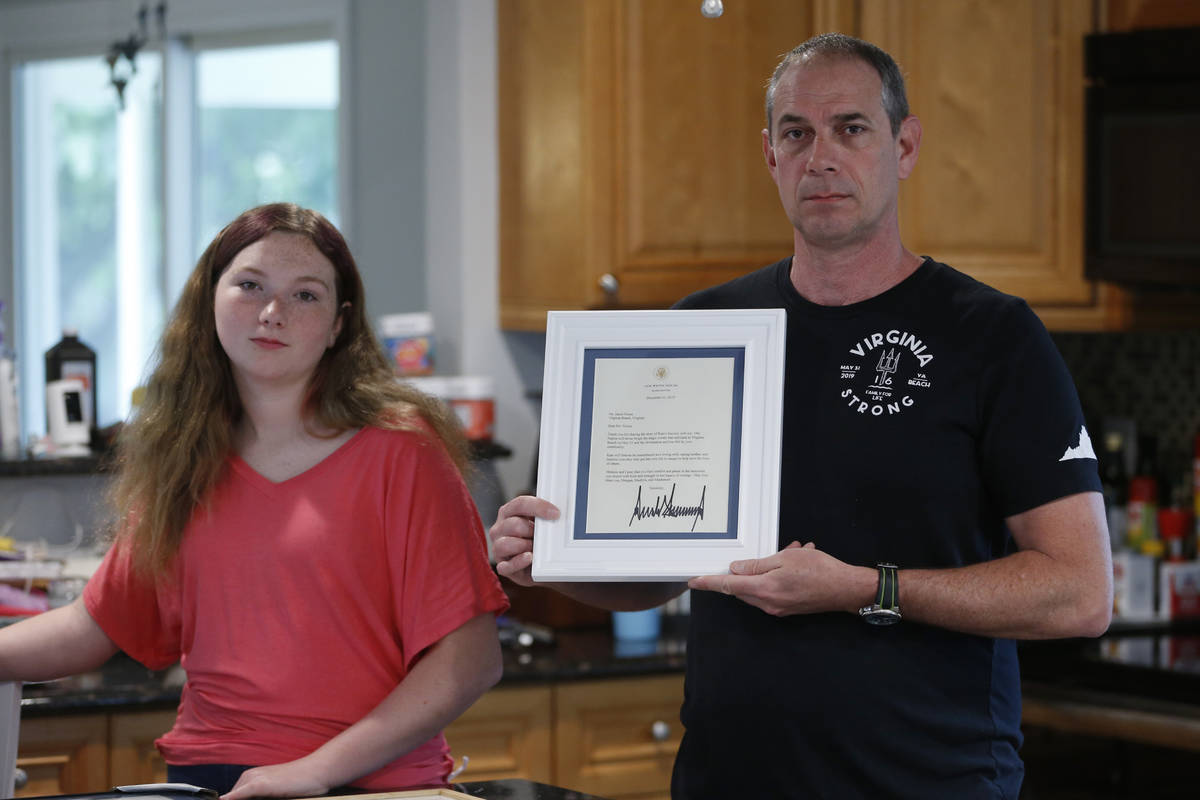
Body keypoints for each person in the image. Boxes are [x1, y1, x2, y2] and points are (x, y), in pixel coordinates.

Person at [490, 33, 1112, 799]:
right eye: (797, 132)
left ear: (905, 146)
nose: (821, 156)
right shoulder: (704, 333)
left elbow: (1079, 592)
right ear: (770, 155)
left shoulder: (991, 337)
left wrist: (863, 588)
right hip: (730, 778)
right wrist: (560, 557)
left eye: (851, 128)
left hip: (929, 780)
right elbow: (666, 570)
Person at [0, 203, 509, 798]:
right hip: (212, 777)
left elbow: (472, 660)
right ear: (209, 299)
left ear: (340, 323)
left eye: (306, 296)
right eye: (249, 285)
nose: (272, 313)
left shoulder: (402, 450)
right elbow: (95, 626)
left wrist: (311, 772)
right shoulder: (183, 457)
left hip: (372, 783)